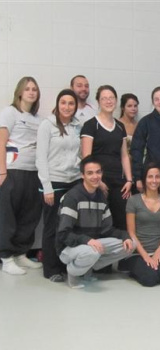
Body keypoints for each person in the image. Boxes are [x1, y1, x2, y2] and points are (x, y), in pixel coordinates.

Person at [57, 156, 134, 289]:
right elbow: (64, 234)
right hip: (67, 248)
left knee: (131, 245)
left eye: (98, 172)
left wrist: (125, 237)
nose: (95, 176)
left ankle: (88, 267)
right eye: (90, 173)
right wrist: (87, 240)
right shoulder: (72, 197)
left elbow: (107, 230)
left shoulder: (101, 198)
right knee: (92, 251)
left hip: (90, 245)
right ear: (82, 175)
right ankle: (72, 273)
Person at [36, 89, 81, 282]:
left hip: (74, 181)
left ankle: (66, 265)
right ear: (58, 104)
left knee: (69, 226)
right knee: (52, 226)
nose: (67, 107)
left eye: (71, 103)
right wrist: (47, 187)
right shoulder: (47, 125)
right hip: (53, 182)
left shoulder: (78, 126)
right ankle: (51, 268)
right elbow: (40, 158)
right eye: (63, 103)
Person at [0, 76, 43, 275]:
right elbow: (1, 142)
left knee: (29, 214)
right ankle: (6, 256)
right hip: (13, 171)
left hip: (33, 172)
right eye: (27, 89)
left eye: (34, 89)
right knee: (8, 216)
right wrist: (2, 170)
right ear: (19, 92)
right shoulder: (10, 112)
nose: (31, 92)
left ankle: (20, 253)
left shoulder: (38, 119)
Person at [81, 85, 133, 230]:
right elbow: (86, 157)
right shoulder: (90, 125)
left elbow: (124, 155)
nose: (108, 101)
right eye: (104, 98)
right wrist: (98, 181)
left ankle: (120, 251)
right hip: (97, 182)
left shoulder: (120, 126)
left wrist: (129, 180)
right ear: (98, 101)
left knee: (120, 220)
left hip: (118, 182)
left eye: (111, 98)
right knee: (99, 223)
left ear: (116, 101)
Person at [124, 163, 160, 287]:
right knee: (150, 279)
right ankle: (133, 268)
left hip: (159, 250)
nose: (154, 180)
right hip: (138, 252)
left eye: (157, 177)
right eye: (150, 177)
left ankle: (155, 266)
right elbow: (131, 232)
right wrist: (146, 257)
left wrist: (158, 253)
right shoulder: (133, 201)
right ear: (144, 179)